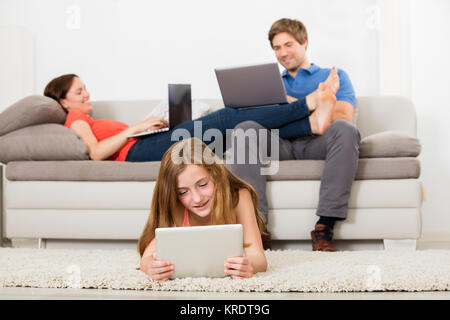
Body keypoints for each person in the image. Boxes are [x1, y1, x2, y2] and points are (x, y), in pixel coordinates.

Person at [228, 18, 361, 252]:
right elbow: (263, 123)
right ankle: (256, 228)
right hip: (281, 144)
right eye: (277, 48)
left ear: (304, 42)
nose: (282, 53)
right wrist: (305, 104)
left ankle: (324, 227)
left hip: (318, 144)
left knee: (347, 130)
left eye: (288, 44)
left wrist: (296, 106)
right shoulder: (271, 84)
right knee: (244, 129)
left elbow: (343, 117)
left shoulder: (332, 76)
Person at [43, 73, 339, 163]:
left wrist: (150, 124)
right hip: (137, 151)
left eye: (85, 89)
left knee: (231, 131)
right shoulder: (75, 120)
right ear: (63, 101)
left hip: (145, 142)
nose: (87, 95)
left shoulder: (87, 117)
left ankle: (310, 124)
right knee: (228, 118)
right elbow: (95, 153)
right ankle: (308, 105)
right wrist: (138, 127)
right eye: (79, 92)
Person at [137, 137, 271, 281]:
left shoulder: (239, 197)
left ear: (216, 175)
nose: (197, 198)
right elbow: (146, 259)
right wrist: (151, 267)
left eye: (202, 185)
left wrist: (249, 265)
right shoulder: (176, 205)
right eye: (183, 192)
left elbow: (259, 259)